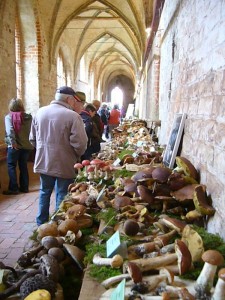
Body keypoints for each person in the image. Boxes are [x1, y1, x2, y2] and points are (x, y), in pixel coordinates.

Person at [29, 86, 88, 226]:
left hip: (44, 161)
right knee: (62, 193)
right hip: (64, 161)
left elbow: (32, 138)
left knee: (44, 191)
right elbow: (80, 143)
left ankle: (41, 223)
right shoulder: (73, 116)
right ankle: (58, 224)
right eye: (74, 100)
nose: (74, 103)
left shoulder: (40, 112)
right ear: (68, 99)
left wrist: (43, 150)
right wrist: (75, 155)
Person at [3, 98, 33, 195]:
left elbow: (10, 130)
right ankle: (24, 187)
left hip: (14, 146)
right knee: (23, 166)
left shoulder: (9, 117)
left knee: (11, 166)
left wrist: (13, 142)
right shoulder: (29, 117)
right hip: (27, 146)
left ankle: (13, 188)